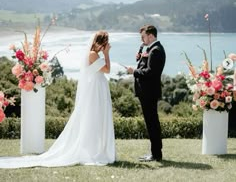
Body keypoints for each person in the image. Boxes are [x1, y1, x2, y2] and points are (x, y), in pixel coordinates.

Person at [0, 30, 116, 168]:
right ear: (101, 42)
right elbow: (107, 69)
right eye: (106, 42)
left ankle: (97, 148)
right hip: (96, 90)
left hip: (98, 88)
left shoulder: (94, 54)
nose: (108, 44)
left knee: (97, 117)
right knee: (93, 117)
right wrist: (107, 54)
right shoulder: (92, 54)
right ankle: (92, 150)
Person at [127, 24, 166, 162]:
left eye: (143, 37)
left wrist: (134, 71)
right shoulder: (151, 49)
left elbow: (151, 72)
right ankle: (155, 153)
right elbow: (147, 67)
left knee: (152, 123)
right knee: (151, 122)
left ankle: (156, 154)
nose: (141, 40)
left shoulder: (156, 50)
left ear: (150, 35)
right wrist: (141, 58)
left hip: (149, 92)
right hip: (147, 92)